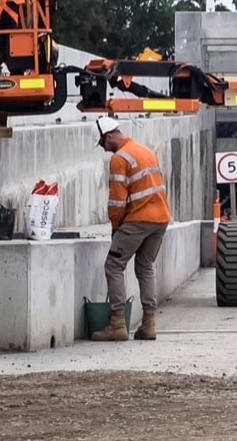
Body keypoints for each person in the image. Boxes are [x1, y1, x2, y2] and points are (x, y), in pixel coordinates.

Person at [91, 116, 172, 342]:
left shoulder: (119, 158)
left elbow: (117, 201)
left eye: (103, 144)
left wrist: (116, 226)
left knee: (114, 265)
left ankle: (117, 323)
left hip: (139, 219)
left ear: (108, 137)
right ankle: (149, 324)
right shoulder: (143, 149)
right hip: (161, 218)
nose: (104, 149)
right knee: (145, 266)